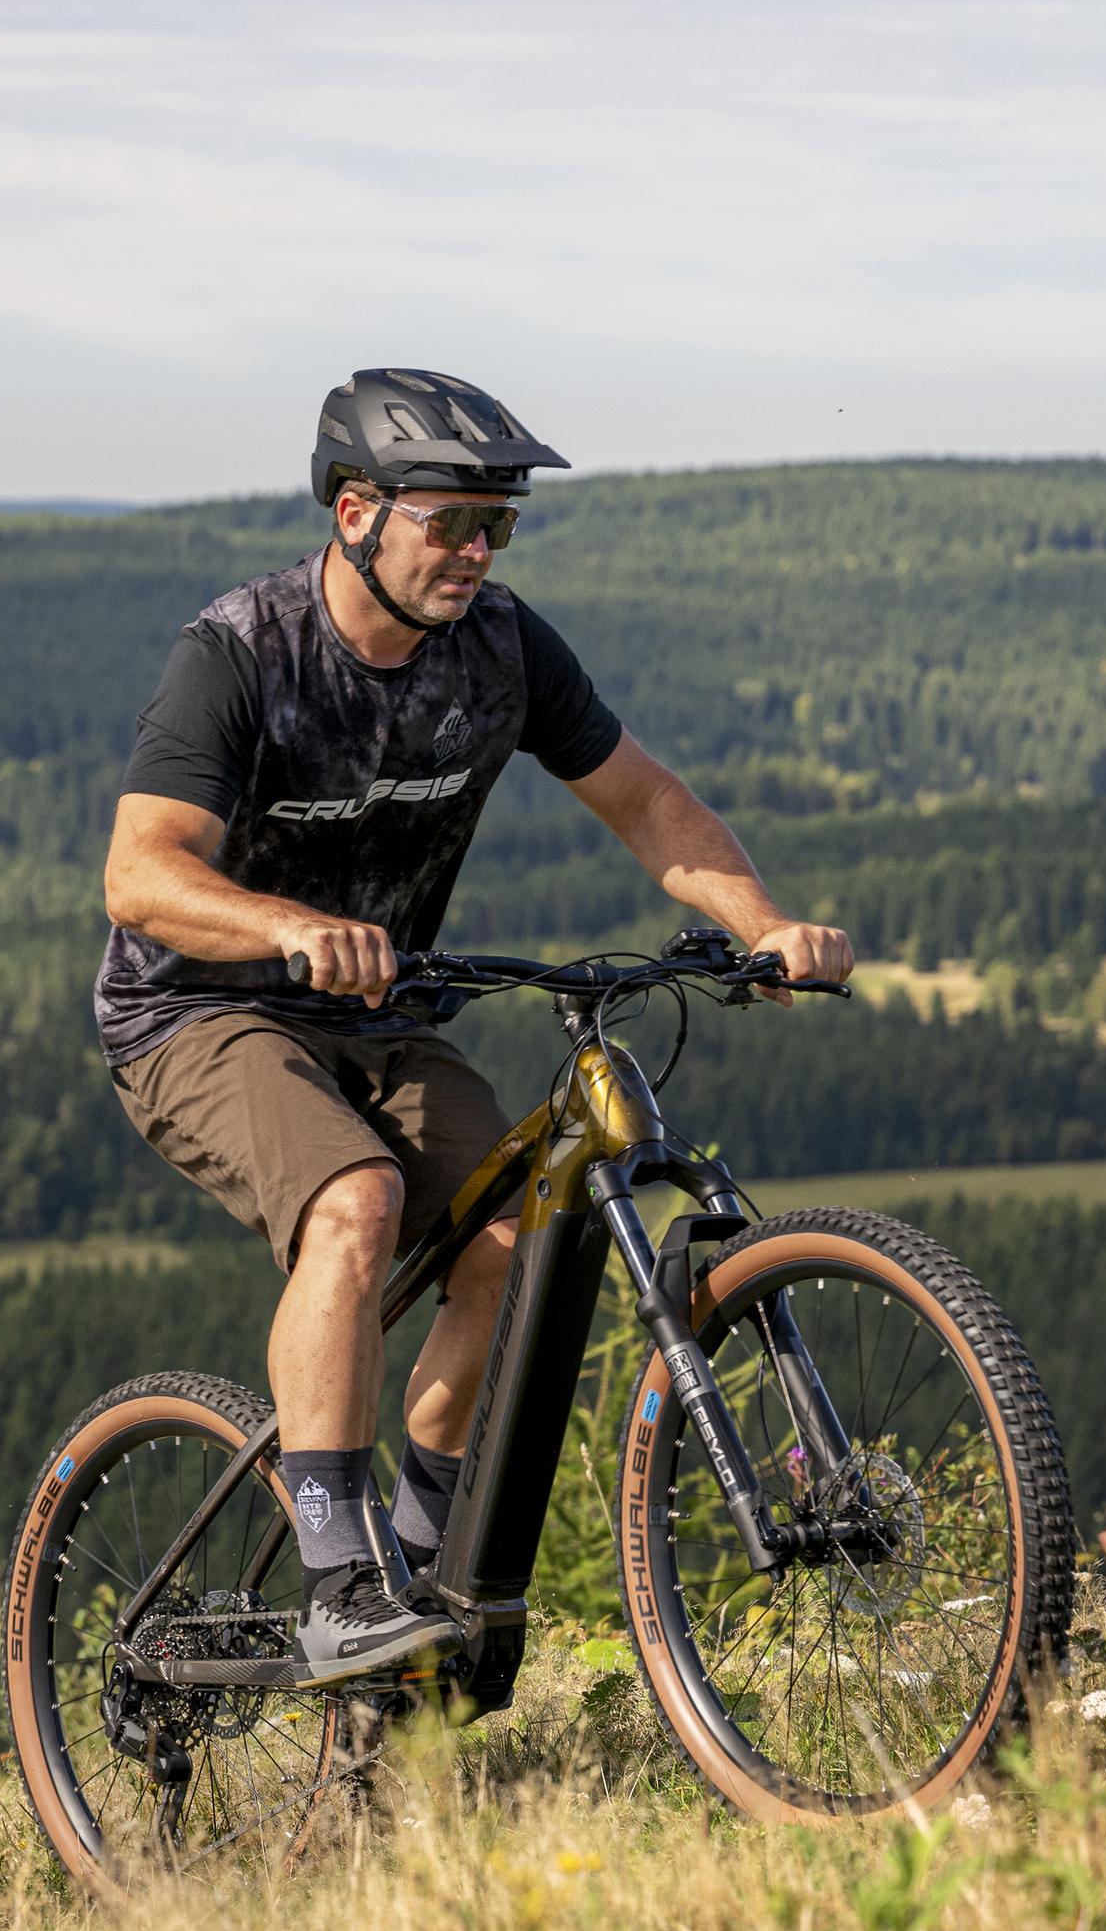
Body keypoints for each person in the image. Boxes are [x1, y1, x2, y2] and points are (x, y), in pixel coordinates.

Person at [96, 369, 855, 1683]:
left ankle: (423, 1572)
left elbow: (648, 801)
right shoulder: (241, 651)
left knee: (513, 1238)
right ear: (352, 512)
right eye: (450, 523)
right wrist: (284, 925)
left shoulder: (501, 648)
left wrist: (763, 922)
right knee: (355, 1199)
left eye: (496, 527)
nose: (476, 553)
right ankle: (334, 1580)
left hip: (380, 1014)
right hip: (200, 1011)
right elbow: (142, 873)